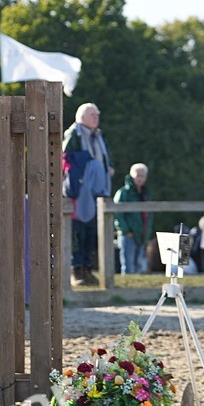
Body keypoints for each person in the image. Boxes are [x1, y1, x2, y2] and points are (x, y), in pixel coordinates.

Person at [63, 103, 113, 286]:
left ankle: (88, 269)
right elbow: (65, 160)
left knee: (92, 231)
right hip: (79, 192)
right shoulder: (74, 134)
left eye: (97, 114)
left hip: (96, 192)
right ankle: (76, 270)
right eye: (92, 114)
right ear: (82, 117)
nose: (96, 117)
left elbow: (105, 158)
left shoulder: (98, 136)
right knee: (78, 231)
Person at [113, 163, 151, 275]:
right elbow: (118, 213)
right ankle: (125, 291)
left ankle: (138, 290)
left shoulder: (146, 194)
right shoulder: (123, 193)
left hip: (141, 235)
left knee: (139, 264)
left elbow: (149, 215)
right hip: (128, 235)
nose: (139, 178)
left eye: (142, 175)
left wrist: (146, 232)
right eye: (137, 175)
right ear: (131, 175)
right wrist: (126, 231)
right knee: (128, 266)